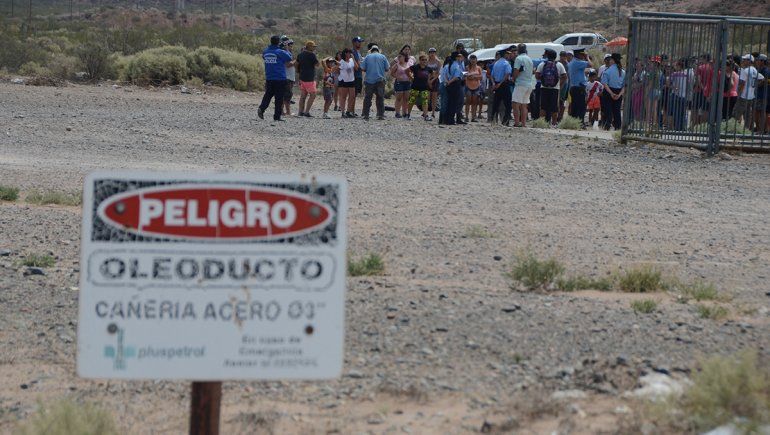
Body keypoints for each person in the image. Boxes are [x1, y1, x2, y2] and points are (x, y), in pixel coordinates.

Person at [258, 35, 293, 121]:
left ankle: (262, 108)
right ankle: (277, 116)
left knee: (268, 95)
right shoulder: (280, 52)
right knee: (279, 98)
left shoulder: (266, 51)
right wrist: (286, 49)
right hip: (280, 78)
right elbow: (289, 58)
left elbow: (263, 56)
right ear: (278, 42)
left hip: (269, 77)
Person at [535, 49, 567, 127]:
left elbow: (536, 75)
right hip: (555, 89)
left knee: (543, 106)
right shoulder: (559, 65)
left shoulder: (542, 64)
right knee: (554, 107)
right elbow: (565, 76)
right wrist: (559, 84)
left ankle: (542, 123)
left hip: (544, 88)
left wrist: (543, 79)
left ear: (547, 56)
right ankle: (554, 124)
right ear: (555, 56)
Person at [360, 45, 390, 120]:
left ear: (371, 50)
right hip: (380, 80)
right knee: (380, 98)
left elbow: (363, 68)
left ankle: (365, 114)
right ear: (378, 50)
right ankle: (380, 115)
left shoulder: (367, 57)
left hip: (369, 80)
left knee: (367, 98)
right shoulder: (383, 56)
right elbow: (387, 68)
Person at [600, 52, 625, 131]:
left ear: (612, 60)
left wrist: (611, 93)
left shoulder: (607, 71)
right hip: (619, 92)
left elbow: (605, 84)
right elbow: (625, 86)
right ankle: (618, 127)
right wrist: (619, 94)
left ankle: (607, 126)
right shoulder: (623, 72)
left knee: (608, 109)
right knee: (617, 111)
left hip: (609, 91)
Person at [568, 48, 592, 127]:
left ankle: (574, 123)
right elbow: (590, 64)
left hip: (574, 87)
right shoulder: (578, 62)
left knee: (575, 106)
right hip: (579, 88)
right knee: (581, 107)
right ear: (578, 55)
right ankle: (580, 123)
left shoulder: (572, 62)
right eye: (582, 54)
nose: (583, 56)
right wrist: (587, 57)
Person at [512, 43, 534, 127]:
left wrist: (514, 78)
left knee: (515, 103)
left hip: (521, 83)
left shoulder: (519, 58)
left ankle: (517, 123)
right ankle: (524, 123)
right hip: (529, 84)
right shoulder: (529, 59)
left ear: (518, 50)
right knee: (524, 105)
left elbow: (516, 70)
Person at [296, 40, 319, 117]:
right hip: (309, 78)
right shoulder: (312, 55)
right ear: (309, 47)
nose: (314, 48)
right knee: (313, 94)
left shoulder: (300, 54)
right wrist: (315, 56)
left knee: (303, 96)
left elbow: (296, 64)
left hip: (302, 77)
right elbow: (317, 64)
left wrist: (298, 71)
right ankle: (306, 112)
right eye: (313, 46)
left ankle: (300, 112)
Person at [490, 49, 513, 125]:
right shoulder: (506, 63)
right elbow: (507, 75)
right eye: (508, 54)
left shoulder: (496, 63)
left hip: (496, 84)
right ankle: (505, 121)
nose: (509, 55)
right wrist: (500, 83)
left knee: (496, 103)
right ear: (505, 55)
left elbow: (492, 75)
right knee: (508, 104)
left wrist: (494, 83)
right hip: (504, 84)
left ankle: (493, 120)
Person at [409, 54, 433, 121]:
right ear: (420, 60)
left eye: (425, 60)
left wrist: (429, 80)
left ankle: (426, 116)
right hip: (415, 87)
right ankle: (408, 114)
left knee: (425, 102)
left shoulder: (428, 68)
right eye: (423, 60)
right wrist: (411, 77)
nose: (424, 61)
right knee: (412, 101)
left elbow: (432, 74)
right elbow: (407, 71)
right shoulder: (415, 67)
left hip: (424, 88)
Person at [444, 51, 466, 125]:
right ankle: (451, 120)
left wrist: (448, 82)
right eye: (459, 56)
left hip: (449, 85)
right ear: (456, 57)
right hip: (455, 84)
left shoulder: (448, 65)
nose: (460, 58)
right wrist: (450, 82)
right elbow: (456, 77)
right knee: (454, 103)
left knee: (450, 102)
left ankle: (447, 119)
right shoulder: (456, 65)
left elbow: (445, 75)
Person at [668, 59, 689, 131]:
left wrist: (673, 87)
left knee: (676, 112)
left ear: (679, 66)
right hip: (684, 96)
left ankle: (677, 128)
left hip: (676, 95)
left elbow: (668, 83)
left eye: (675, 65)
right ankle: (682, 127)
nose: (674, 67)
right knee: (683, 112)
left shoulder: (674, 74)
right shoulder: (686, 74)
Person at [337, 48, 359, 118]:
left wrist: (354, 59)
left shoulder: (352, 60)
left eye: (351, 53)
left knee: (352, 96)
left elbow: (356, 68)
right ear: (346, 53)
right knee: (343, 97)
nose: (350, 54)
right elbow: (338, 70)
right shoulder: (342, 62)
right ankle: (343, 112)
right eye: (349, 53)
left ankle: (348, 111)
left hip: (351, 80)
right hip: (344, 81)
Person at [390, 52, 413, 119]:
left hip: (407, 83)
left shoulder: (408, 64)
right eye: (398, 57)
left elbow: (411, 72)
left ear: (404, 57)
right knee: (399, 98)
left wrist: (411, 77)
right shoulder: (396, 65)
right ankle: (397, 113)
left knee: (406, 98)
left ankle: (404, 113)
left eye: (400, 56)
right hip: (399, 83)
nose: (399, 58)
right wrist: (397, 77)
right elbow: (392, 73)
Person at [464, 54, 483, 122]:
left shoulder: (479, 68)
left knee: (475, 102)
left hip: (476, 86)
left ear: (476, 60)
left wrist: (474, 77)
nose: (473, 60)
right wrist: (471, 77)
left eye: (474, 59)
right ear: (470, 60)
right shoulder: (467, 67)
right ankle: (466, 116)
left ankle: (473, 117)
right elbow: (466, 76)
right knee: (468, 101)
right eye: (472, 59)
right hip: (468, 86)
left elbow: (481, 77)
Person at [281, 39, 296, 117]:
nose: (291, 47)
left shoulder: (288, 53)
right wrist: (296, 61)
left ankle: (283, 111)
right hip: (287, 77)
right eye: (290, 45)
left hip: (289, 76)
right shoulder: (286, 53)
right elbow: (288, 64)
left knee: (286, 95)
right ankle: (287, 112)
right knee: (287, 95)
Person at [755, 54, 770, 133]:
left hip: (762, 95)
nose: (756, 61)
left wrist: (755, 85)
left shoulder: (765, 70)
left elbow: (764, 81)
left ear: (762, 61)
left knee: (759, 112)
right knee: (761, 112)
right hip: (763, 95)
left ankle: (760, 130)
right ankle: (764, 129)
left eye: (758, 60)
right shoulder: (763, 70)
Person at [427, 48, 442, 119]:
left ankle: (433, 112)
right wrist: (428, 80)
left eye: (433, 52)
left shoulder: (438, 62)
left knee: (434, 97)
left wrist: (432, 80)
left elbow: (438, 73)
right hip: (427, 79)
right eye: (431, 52)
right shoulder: (427, 61)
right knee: (427, 97)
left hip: (435, 80)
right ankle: (426, 111)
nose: (432, 54)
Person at [558, 51, 571, 122]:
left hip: (565, 85)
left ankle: (560, 117)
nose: (562, 57)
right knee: (558, 101)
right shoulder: (557, 63)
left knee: (562, 101)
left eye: (564, 56)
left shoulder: (568, 65)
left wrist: (563, 86)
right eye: (561, 56)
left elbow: (567, 77)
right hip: (557, 84)